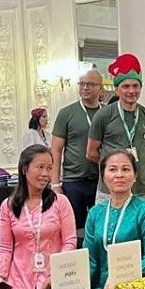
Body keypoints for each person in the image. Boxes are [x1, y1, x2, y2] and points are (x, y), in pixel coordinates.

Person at [0, 144, 77, 289]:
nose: (45, 174)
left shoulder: (60, 202)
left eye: (49, 168)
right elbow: (5, 248)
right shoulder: (8, 205)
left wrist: (57, 274)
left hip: (51, 283)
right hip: (17, 283)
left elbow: (70, 242)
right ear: (25, 169)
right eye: (40, 167)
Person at [83, 149, 145, 289]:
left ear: (135, 176)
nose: (119, 175)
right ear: (103, 176)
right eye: (112, 169)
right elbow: (90, 260)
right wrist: (80, 287)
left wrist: (118, 282)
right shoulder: (95, 213)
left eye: (125, 169)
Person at [86, 53, 145, 197]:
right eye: (126, 86)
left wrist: (133, 169)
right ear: (117, 89)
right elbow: (91, 153)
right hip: (109, 191)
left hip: (140, 190)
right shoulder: (103, 115)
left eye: (135, 86)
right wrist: (113, 168)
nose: (131, 91)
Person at [51, 67, 104, 227]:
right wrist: (55, 183)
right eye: (82, 84)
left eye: (90, 84)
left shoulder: (107, 113)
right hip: (73, 181)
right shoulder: (67, 113)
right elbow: (56, 149)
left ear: (100, 88)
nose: (85, 87)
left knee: (100, 226)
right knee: (75, 227)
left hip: (102, 181)